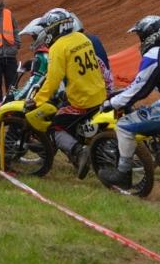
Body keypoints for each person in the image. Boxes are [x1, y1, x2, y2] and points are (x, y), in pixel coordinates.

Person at [98, 16, 160, 189]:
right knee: (151, 111)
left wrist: (111, 103)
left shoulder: (154, 55)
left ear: (152, 35)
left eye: (142, 36)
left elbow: (138, 90)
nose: (141, 41)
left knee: (123, 126)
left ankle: (123, 173)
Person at [27, 10, 107, 178]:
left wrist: (37, 100)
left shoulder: (58, 47)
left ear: (55, 28)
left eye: (48, 28)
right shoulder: (83, 39)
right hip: (99, 94)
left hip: (81, 100)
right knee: (64, 105)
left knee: (54, 126)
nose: (46, 32)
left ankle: (79, 151)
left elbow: (53, 80)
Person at [45, 8, 113, 94]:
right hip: (105, 88)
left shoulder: (65, 48)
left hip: (86, 94)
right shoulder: (91, 40)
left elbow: (55, 80)